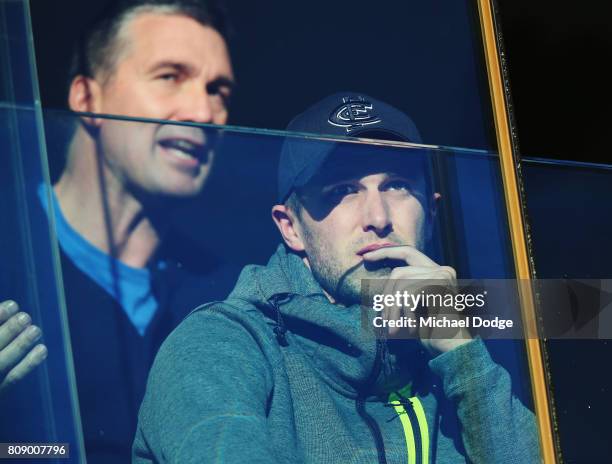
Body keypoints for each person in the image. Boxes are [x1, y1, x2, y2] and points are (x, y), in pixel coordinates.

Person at [134, 92, 540, 463]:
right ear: (290, 227)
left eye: (396, 185)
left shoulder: (472, 341)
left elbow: (595, 311)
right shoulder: (219, 345)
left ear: (432, 214)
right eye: (343, 190)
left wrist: (462, 357)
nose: (378, 219)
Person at [0, 0, 236, 462]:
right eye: (170, 76)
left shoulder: (230, 288)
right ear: (87, 98)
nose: (204, 112)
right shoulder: (11, 245)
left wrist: (421, 310)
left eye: (219, 91)